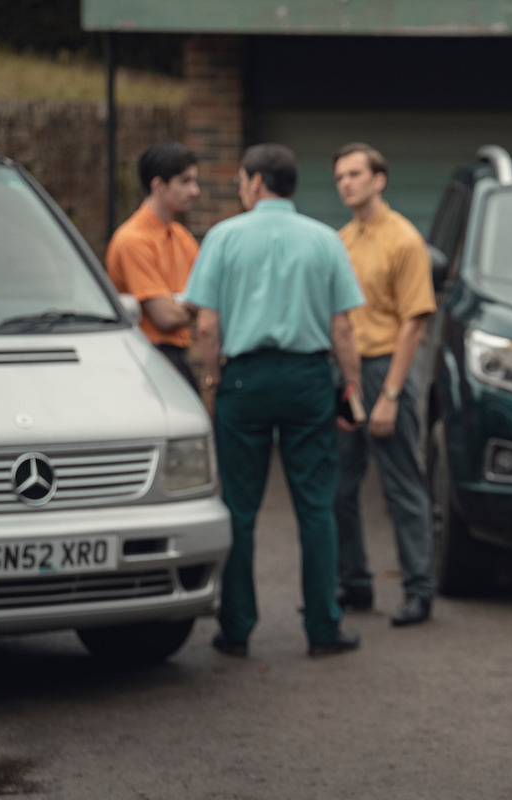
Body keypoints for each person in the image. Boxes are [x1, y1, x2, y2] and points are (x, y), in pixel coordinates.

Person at [185, 143, 366, 658]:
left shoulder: (222, 237)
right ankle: (324, 628)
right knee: (316, 506)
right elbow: (341, 328)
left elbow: (206, 323)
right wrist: (352, 393)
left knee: (240, 508)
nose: (242, 188)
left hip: (244, 379)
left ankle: (237, 628)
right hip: (309, 378)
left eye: (243, 180)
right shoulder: (325, 240)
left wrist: (216, 380)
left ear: (258, 182)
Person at [330, 142, 437, 627]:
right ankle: (353, 584)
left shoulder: (404, 239)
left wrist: (391, 394)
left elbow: (414, 322)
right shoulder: (341, 240)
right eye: (339, 177)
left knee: (402, 487)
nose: (346, 183)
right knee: (338, 485)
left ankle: (419, 590)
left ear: (379, 179)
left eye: (355, 173)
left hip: (385, 369)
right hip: (346, 374)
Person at [105, 141, 202, 390]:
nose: (195, 191)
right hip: (146, 358)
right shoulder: (133, 239)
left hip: (178, 355)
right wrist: (191, 304)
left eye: (195, 181)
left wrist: (181, 302)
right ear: (158, 185)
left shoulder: (181, 237)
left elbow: (213, 297)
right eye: (185, 181)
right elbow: (166, 317)